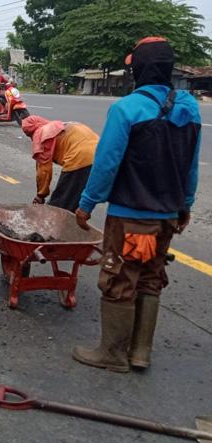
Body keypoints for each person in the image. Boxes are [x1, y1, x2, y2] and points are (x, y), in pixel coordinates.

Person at [73, 37, 200, 373]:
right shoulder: (189, 107)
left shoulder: (127, 108)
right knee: (151, 278)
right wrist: (185, 204)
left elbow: (106, 163)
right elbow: (191, 163)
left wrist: (86, 204)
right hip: (166, 218)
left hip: (129, 216)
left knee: (119, 279)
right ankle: (140, 353)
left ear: (137, 70)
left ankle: (112, 354)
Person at [21, 115, 98, 212]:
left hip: (80, 158)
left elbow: (44, 171)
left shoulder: (40, 135)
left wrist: (41, 195)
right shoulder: (62, 124)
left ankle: (55, 226)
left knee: (59, 205)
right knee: (78, 200)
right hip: (101, 155)